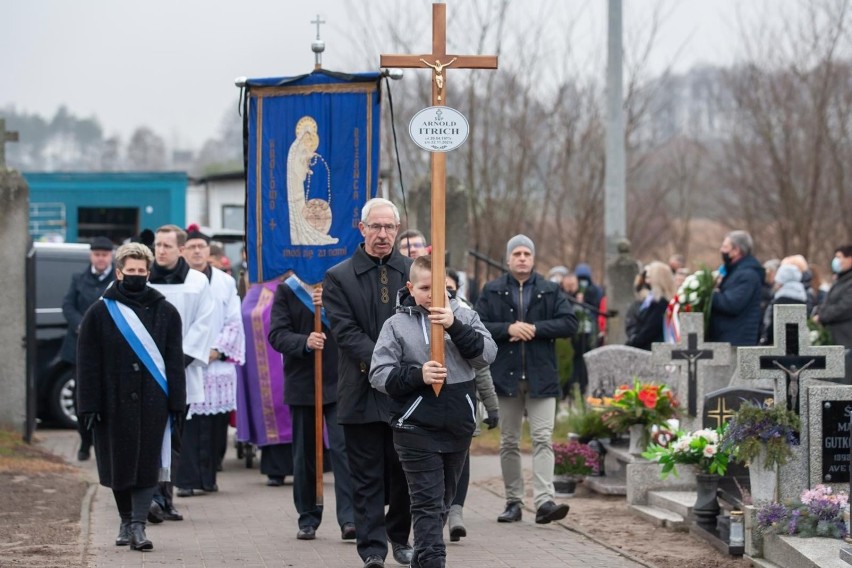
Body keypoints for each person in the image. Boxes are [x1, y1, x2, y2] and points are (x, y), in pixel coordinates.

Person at [370, 255, 497, 568]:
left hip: (457, 424)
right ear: (411, 288)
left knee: (441, 503)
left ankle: (423, 559)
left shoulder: (463, 314)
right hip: (415, 427)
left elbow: (487, 355)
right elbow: (378, 374)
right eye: (424, 288)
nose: (431, 294)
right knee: (426, 503)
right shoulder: (396, 324)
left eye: (437, 287)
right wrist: (417, 374)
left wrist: (454, 326)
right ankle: (434, 561)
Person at [76, 243, 186, 551]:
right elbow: (87, 363)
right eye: (131, 271)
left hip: (154, 402)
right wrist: (88, 404)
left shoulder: (166, 311)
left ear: (148, 273)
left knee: (146, 464)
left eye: (141, 271)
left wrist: (178, 402)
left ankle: (138, 526)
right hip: (112, 403)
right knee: (119, 467)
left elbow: (174, 361)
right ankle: (126, 520)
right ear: (119, 271)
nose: (136, 275)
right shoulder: (99, 312)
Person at [322, 197, 414, 568]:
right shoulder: (338, 276)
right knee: (366, 477)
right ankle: (372, 548)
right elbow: (346, 332)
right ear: (361, 229)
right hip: (360, 391)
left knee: (405, 473)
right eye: (375, 227)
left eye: (389, 227)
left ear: (397, 229)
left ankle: (400, 538)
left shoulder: (412, 272)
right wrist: (385, 364)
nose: (382, 234)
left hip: (406, 393)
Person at [475, 235, 577, 525]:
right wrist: (508, 328)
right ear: (508, 259)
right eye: (516, 253)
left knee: (543, 438)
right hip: (505, 377)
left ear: (533, 258)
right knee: (508, 441)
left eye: (526, 253)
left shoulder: (550, 290)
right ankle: (513, 502)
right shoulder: (492, 290)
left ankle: (545, 501)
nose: (522, 258)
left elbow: (569, 323)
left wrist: (535, 328)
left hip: (541, 376)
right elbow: (478, 324)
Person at [268, 275, 356, 542]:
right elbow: (277, 334)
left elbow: (355, 326)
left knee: (344, 450)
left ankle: (350, 518)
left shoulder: (340, 286)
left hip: (340, 381)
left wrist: (328, 307)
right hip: (304, 384)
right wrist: (305, 342)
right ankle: (308, 517)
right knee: (305, 453)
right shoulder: (287, 290)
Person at [146, 224, 216, 522]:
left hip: (180, 372)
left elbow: (204, 324)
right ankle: (150, 497)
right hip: (146, 372)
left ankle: (166, 496)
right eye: (157, 245)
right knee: (148, 437)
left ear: (181, 249)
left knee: (173, 438)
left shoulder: (197, 282)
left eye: (166, 245)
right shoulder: (144, 280)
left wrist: (177, 361)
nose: (160, 250)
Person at [175, 227, 245, 497]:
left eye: (200, 247)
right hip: (187, 361)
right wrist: (193, 350)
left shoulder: (225, 282)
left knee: (215, 426)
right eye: (191, 246)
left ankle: (208, 477)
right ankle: (186, 480)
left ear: (209, 251)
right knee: (189, 426)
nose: (196, 251)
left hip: (217, 361)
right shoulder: (179, 280)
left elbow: (233, 319)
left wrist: (216, 349)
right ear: (183, 251)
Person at [444, 269, 500, 543]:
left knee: (460, 461)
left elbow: (482, 367)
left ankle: (456, 512)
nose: (445, 291)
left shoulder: (466, 315)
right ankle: (438, 512)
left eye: (450, 287)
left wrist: (491, 405)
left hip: (462, 403)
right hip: (427, 407)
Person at [60, 236, 115, 461]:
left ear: (111, 256)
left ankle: (108, 442)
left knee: (109, 395)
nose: (100, 258)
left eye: (104, 254)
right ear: (91, 255)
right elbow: (67, 305)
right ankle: (85, 440)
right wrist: (82, 324)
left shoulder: (117, 279)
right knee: (82, 396)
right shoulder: (79, 278)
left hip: (109, 349)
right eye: (97, 254)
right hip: (81, 347)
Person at [235, 281, 295, 486]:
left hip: (301, 360)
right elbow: (248, 315)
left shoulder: (310, 280)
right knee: (275, 402)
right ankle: (276, 469)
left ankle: (311, 469)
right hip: (271, 364)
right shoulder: (260, 289)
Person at [708, 230, 764, 346]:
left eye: (725, 247)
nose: (721, 250)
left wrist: (708, 294)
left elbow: (731, 304)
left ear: (736, 250)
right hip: (728, 338)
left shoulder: (747, 275)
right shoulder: (734, 272)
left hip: (737, 341)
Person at [813, 244, 852, 380]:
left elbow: (845, 306)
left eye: (839, 257)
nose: (836, 261)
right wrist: (818, 311)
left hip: (847, 339)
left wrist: (822, 316)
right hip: (836, 338)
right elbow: (829, 301)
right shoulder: (841, 279)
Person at [626, 261, 675, 350]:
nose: (646, 281)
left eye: (649, 277)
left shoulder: (661, 304)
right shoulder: (653, 301)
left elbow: (649, 331)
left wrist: (632, 343)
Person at [760, 263, 807, 345]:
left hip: (780, 342)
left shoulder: (781, 299)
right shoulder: (802, 296)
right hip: (798, 342)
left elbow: (773, 323)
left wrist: (766, 340)